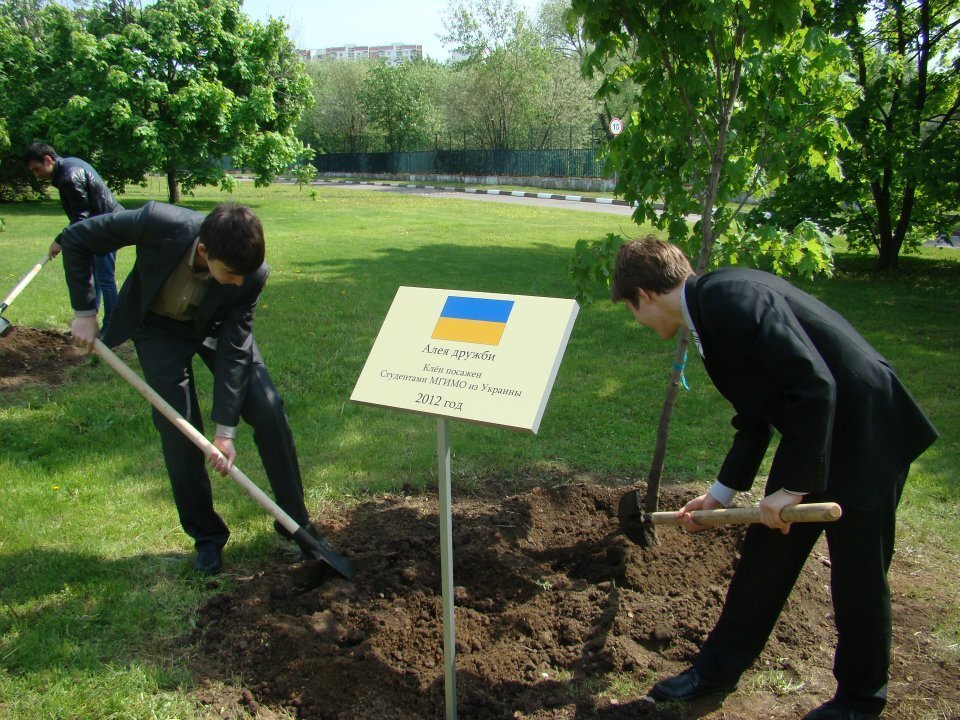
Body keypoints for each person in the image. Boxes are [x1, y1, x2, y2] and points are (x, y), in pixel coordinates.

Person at [611, 238, 938, 719]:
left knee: (858, 573)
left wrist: (793, 487)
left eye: (631, 311)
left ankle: (860, 700)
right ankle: (714, 671)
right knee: (766, 559)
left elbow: (815, 384)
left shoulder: (731, 300)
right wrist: (719, 497)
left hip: (868, 432)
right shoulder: (708, 312)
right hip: (817, 430)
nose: (637, 323)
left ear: (643, 294)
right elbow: (755, 416)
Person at [59, 200, 336, 574]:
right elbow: (78, 238)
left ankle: (296, 524)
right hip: (158, 328)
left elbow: (236, 352)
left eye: (245, 275)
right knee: (179, 431)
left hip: (217, 330)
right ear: (204, 251)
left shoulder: (250, 276)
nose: (240, 281)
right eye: (232, 273)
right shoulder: (158, 221)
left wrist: (226, 432)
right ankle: (207, 538)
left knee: (268, 409)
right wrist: (84, 313)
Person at [24, 143, 122, 330]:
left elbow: (80, 217)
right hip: (97, 228)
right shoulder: (69, 166)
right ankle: (92, 325)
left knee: (104, 278)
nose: (37, 175)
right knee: (96, 277)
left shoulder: (69, 176)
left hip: (106, 228)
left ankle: (111, 328)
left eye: (37, 169)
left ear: (48, 160)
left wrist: (60, 240)